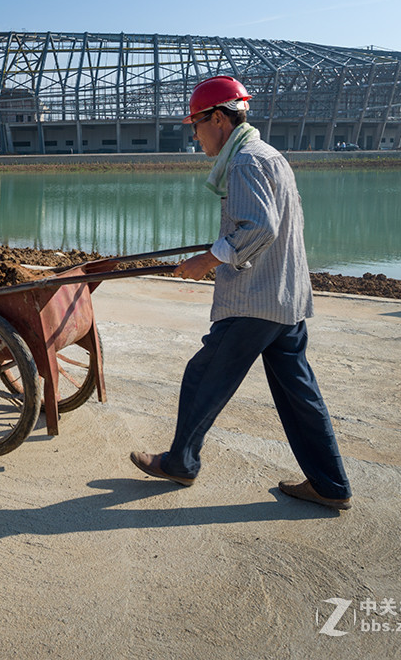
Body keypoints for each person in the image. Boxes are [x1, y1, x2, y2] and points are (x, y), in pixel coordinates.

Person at [129, 75, 353, 510]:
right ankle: (331, 485)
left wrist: (207, 261)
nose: (194, 135)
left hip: (256, 299)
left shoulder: (245, 161)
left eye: (196, 125)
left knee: (202, 376)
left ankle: (180, 462)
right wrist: (212, 252)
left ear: (218, 118)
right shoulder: (269, 155)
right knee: (298, 393)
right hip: (286, 295)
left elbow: (261, 227)